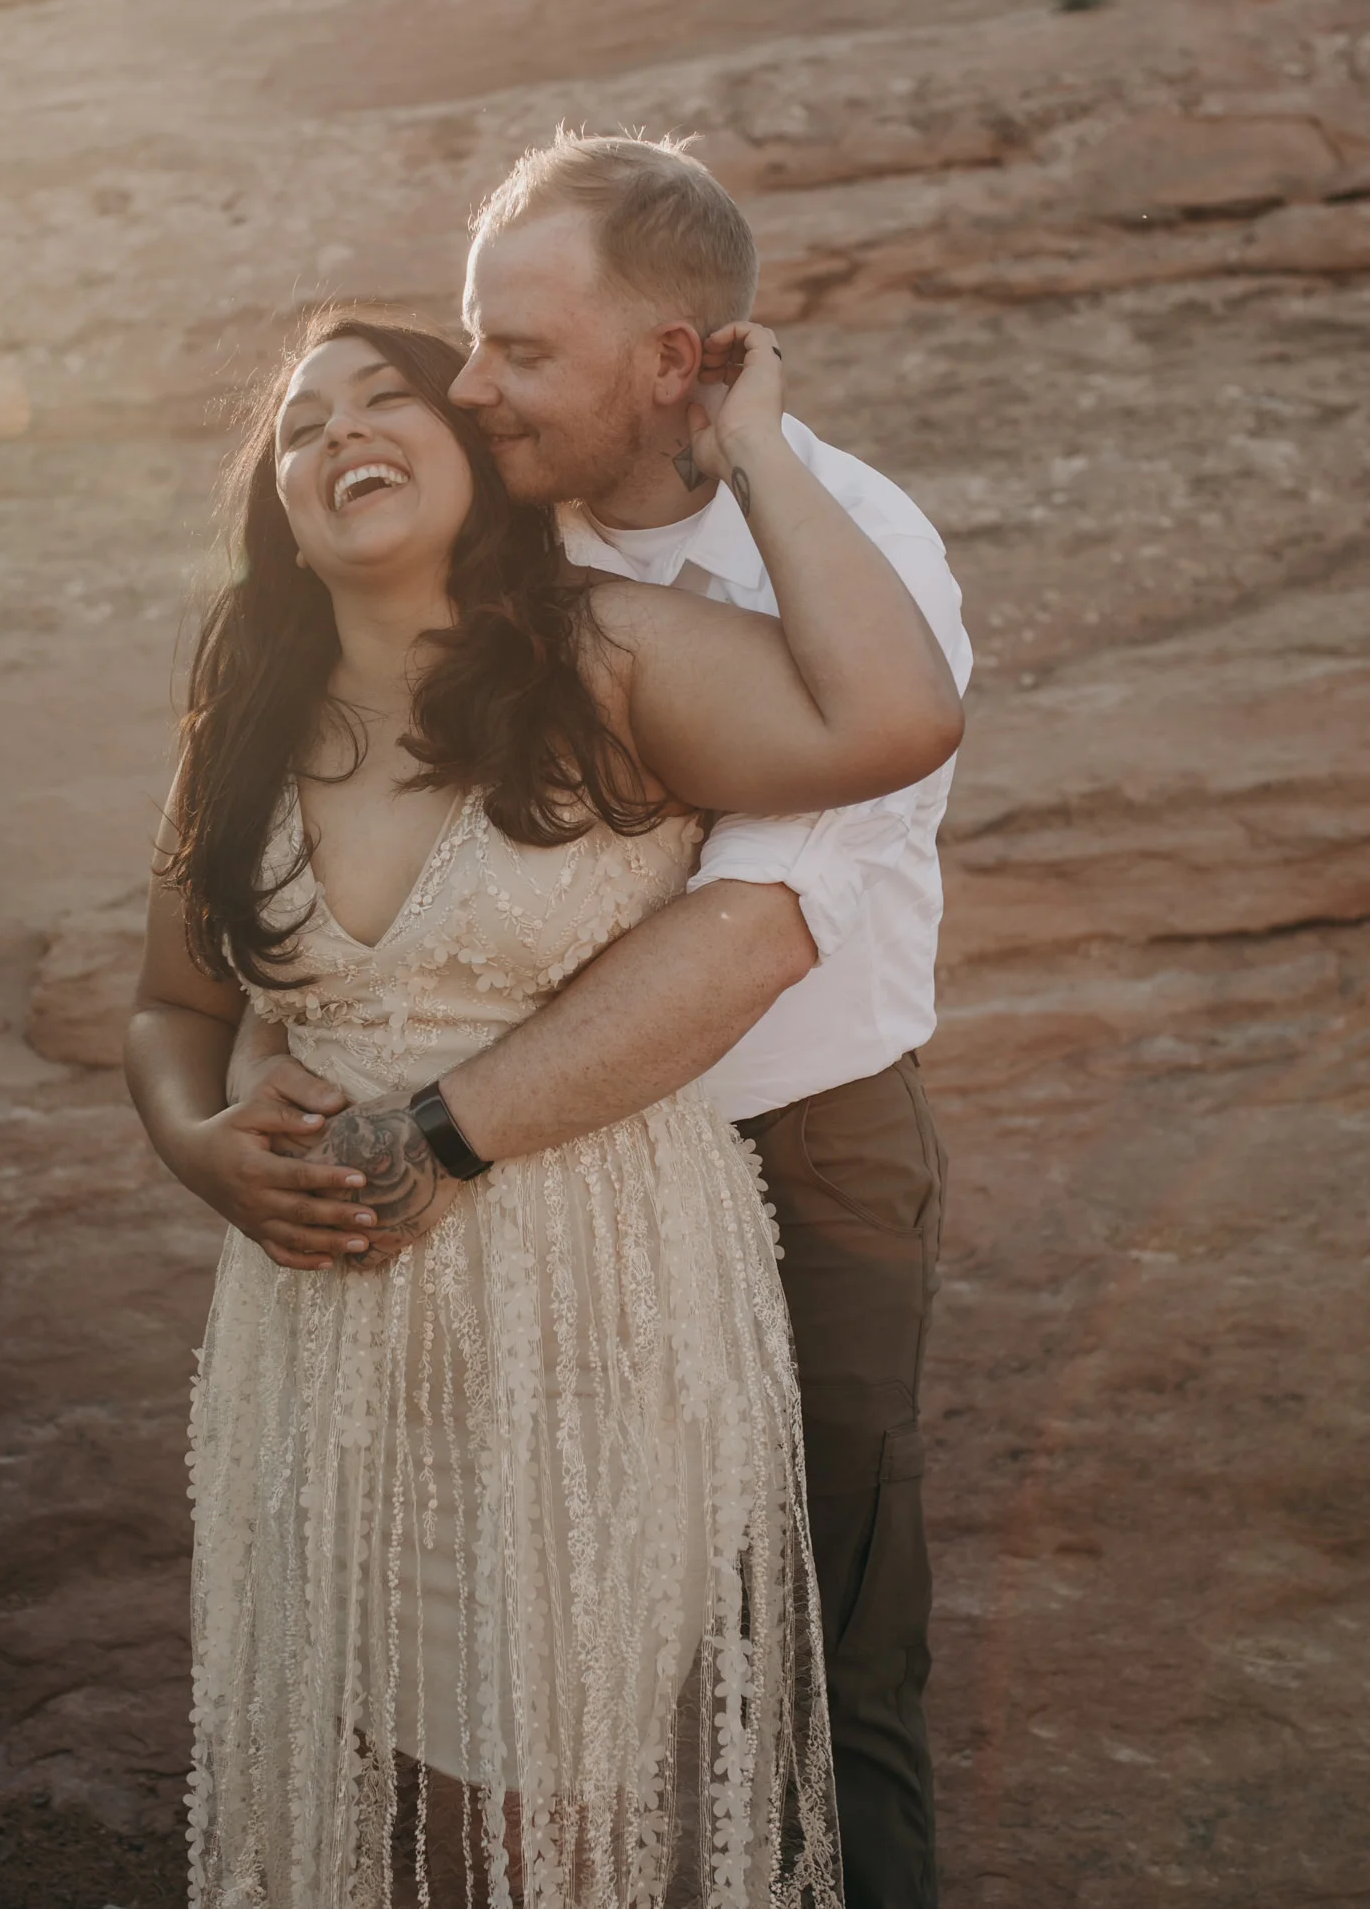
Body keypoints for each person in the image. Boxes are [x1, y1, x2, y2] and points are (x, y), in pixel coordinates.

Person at [190, 135, 973, 1909]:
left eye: (520, 355)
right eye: (476, 341)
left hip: (797, 1135)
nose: (472, 390)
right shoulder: (498, 521)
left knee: (821, 1641)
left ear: (681, 362)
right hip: (531, 1180)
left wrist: (444, 1131)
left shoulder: (858, 560)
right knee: (486, 1647)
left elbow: (754, 927)